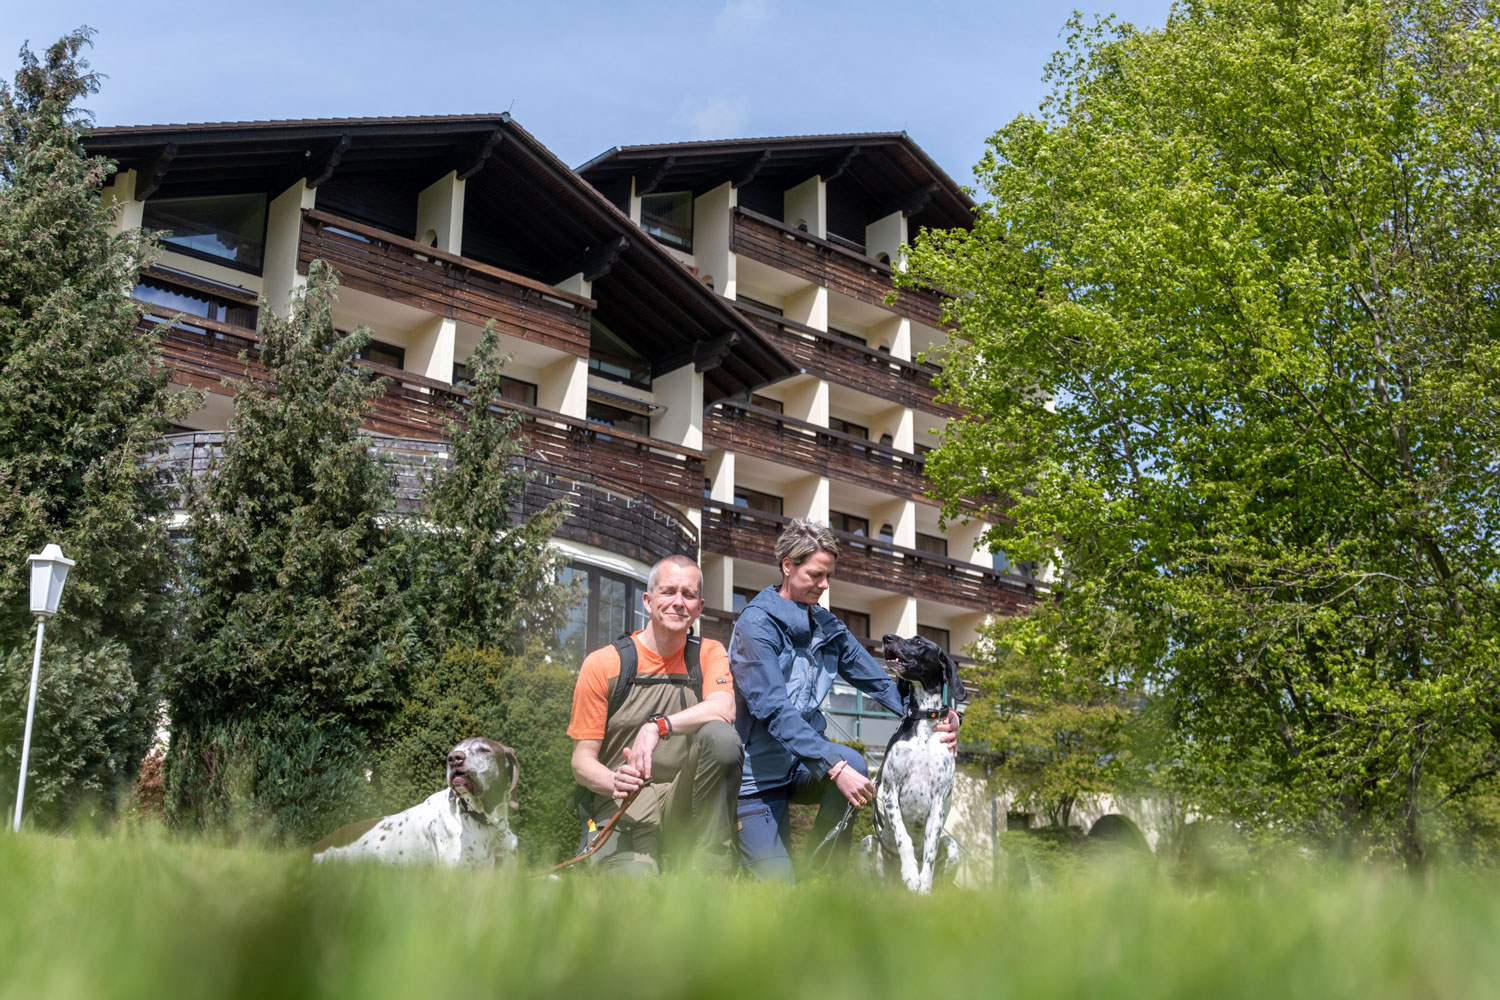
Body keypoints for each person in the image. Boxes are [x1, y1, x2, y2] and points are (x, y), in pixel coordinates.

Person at [730, 518, 960, 882]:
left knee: (853, 761)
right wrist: (834, 768)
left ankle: (819, 877)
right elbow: (774, 710)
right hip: (756, 778)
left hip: (802, 767)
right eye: (815, 575)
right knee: (776, 895)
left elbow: (883, 685)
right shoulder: (756, 626)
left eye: (829, 576)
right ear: (788, 565)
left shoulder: (827, 627)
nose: (823, 585)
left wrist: (939, 717)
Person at [567, 554, 742, 875]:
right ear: (648, 601)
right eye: (668, 592)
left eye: (688, 595)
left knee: (722, 737)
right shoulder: (604, 664)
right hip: (622, 805)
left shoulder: (709, 653)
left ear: (699, 607)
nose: (678, 602)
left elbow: (724, 708)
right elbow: (581, 763)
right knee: (634, 902)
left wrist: (657, 726)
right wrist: (613, 780)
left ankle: (710, 870)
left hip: (684, 801)